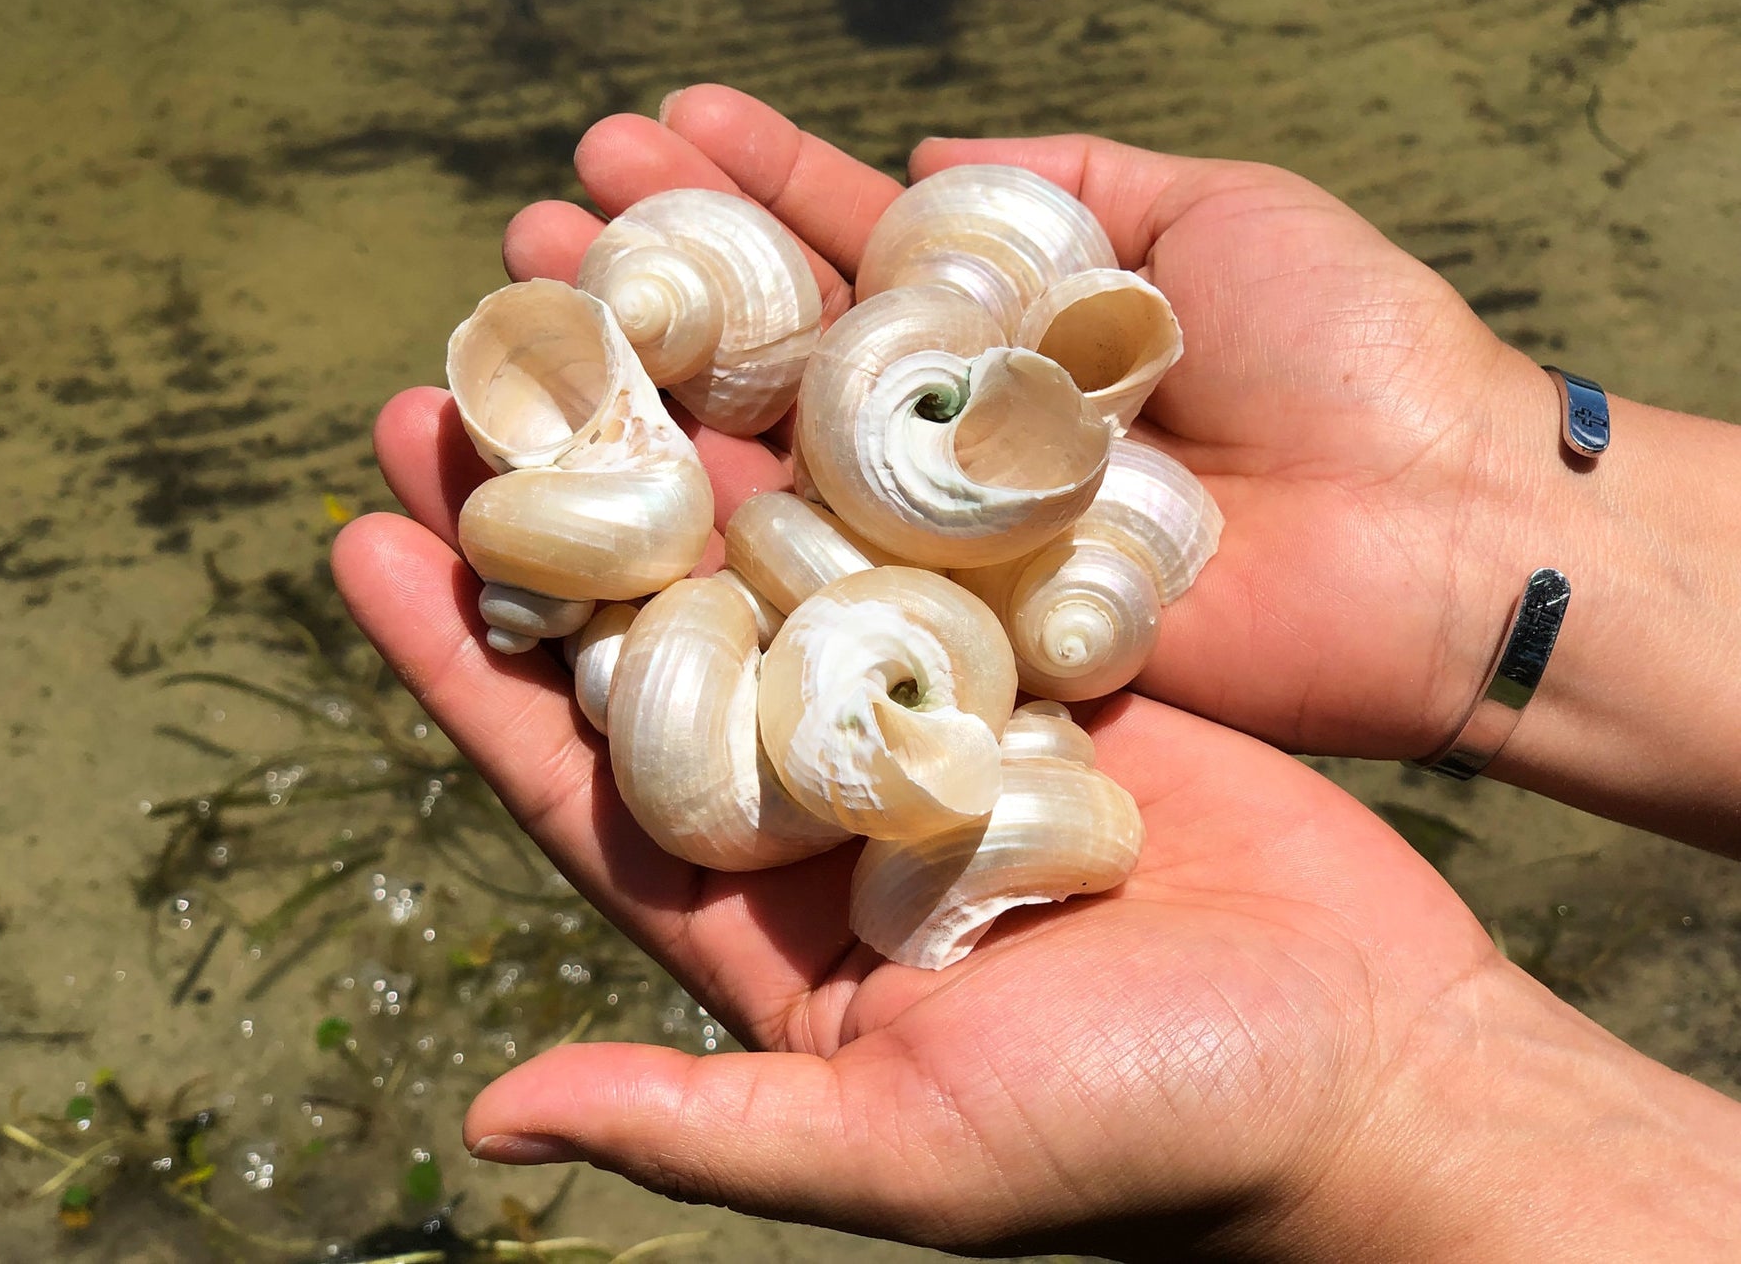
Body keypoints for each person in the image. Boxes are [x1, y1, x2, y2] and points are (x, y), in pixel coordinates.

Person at [332, 85, 1741, 1260]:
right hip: (866, 612)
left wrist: (1378, 1114)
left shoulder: (904, 609)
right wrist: (1375, 1111)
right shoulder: (865, 618)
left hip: (879, 606)